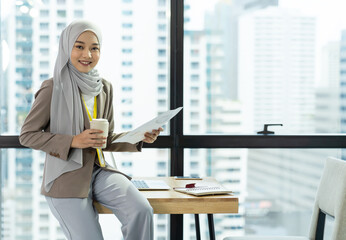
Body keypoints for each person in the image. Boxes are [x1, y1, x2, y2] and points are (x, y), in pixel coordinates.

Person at [19, 20, 162, 240]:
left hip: (99, 172)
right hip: (65, 178)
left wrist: (139, 137)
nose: (87, 54)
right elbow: (27, 135)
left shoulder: (104, 88)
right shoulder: (52, 88)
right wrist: (73, 141)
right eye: (79, 46)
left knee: (141, 211)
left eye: (94, 48)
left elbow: (107, 138)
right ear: (67, 48)